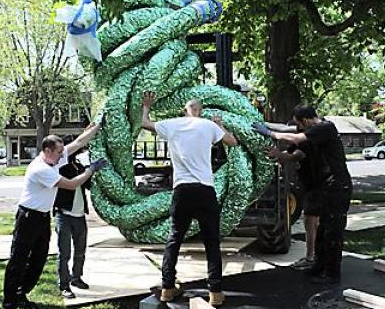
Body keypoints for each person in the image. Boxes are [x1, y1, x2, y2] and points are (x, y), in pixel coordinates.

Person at [141, 91, 237, 306]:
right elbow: (232, 142)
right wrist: (219, 125)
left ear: (184, 110)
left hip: (182, 189)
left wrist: (147, 105)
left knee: (174, 239)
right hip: (204, 188)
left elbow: (144, 122)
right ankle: (215, 292)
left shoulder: (172, 124)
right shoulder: (208, 125)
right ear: (200, 111)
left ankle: (167, 288)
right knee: (211, 242)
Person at [2, 124, 106, 309]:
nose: (62, 155)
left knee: (39, 259)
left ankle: (21, 293)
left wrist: (96, 126)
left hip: (42, 218)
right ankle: (10, 300)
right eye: (59, 152)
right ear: (48, 150)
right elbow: (72, 184)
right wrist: (90, 170)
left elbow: (79, 142)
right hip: (28, 218)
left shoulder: (54, 159)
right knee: (19, 258)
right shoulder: (41, 169)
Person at [253, 104, 352, 284]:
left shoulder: (325, 128)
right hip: (325, 187)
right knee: (322, 231)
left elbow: (296, 138)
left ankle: (332, 274)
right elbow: (293, 145)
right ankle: (319, 267)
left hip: (338, 187)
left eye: (299, 124)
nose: (298, 128)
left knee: (332, 232)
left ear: (306, 121)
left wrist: (269, 134)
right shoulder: (313, 134)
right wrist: (278, 153)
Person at [265, 137, 327, 270]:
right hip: (309, 186)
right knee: (311, 222)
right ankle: (314, 256)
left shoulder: (308, 143)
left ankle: (313, 258)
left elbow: (295, 156)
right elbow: (288, 154)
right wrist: (280, 157)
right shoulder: (297, 144)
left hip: (316, 186)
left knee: (312, 222)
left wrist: (280, 154)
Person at [53, 135, 91, 299]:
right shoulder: (60, 167)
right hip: (64, 215)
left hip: (80, 214)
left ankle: (76, 277)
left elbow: (88, 185)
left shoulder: (79, 166)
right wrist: (86, 170)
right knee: (65, 252)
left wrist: (91, 169)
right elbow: (71, 182)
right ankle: (64, 284)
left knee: (80, 250)